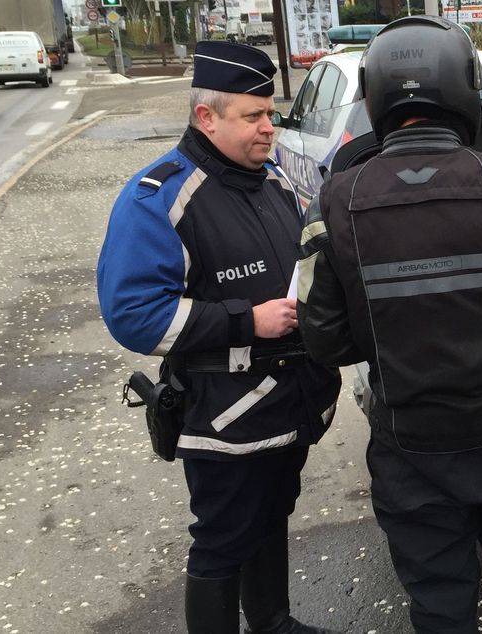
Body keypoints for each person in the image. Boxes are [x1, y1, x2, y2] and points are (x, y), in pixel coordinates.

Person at [295, 15, 482, 633]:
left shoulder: (333, 204)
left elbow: (321, 335)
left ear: (376, 97)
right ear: (466, 88)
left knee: (438, 607)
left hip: (410, 448)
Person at [97, 41, 341, 634]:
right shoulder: (159, 199)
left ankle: (272, 621)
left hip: (291, 403)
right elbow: (133, 314)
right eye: (253, 117)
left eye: (270, 114)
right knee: (222, 540)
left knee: (272, 515)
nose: (269, 129)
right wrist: (246, 320)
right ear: (206, 117)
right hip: (224, 416)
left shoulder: (274, 178)